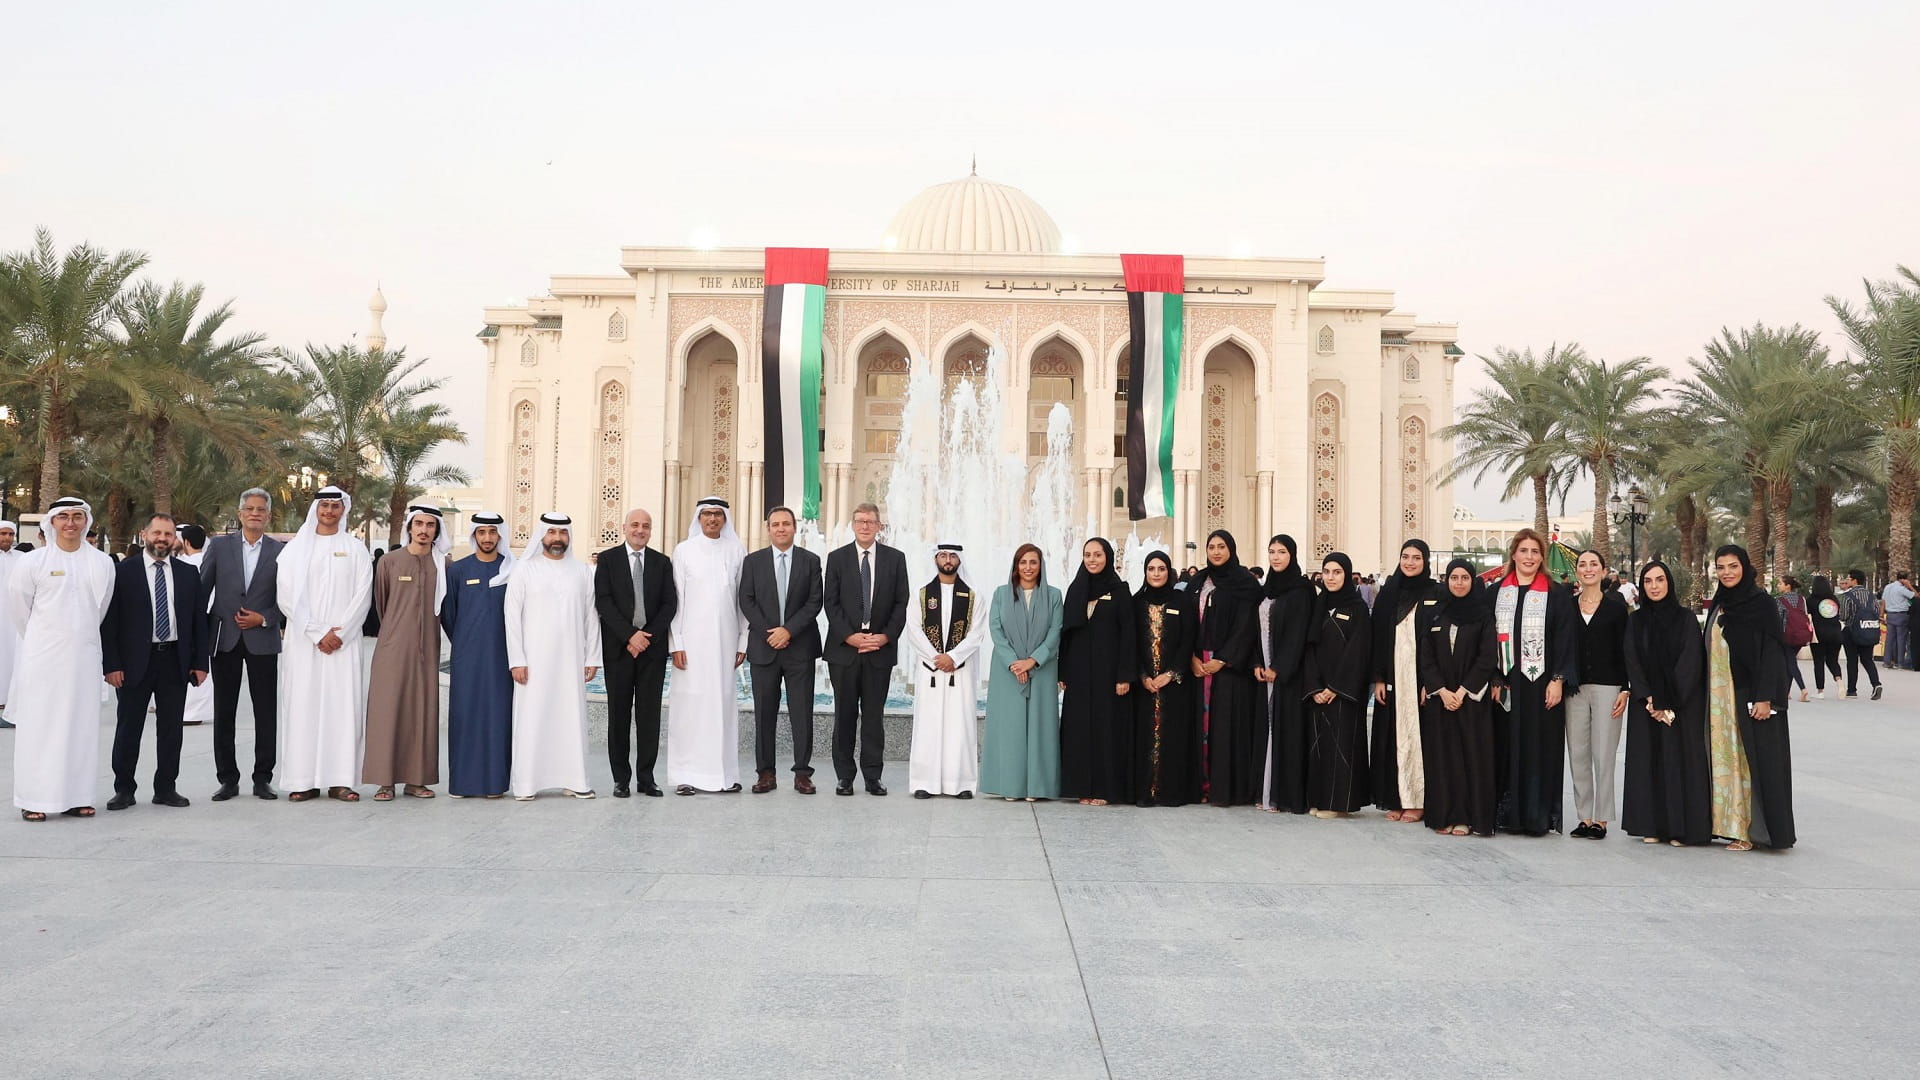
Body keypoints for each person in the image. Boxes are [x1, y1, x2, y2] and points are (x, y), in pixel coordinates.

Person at [10, 498, 115, 820]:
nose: (71, 523)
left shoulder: (101, 562)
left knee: (80, 729)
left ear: (86, 522)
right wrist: (47, 641)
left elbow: (101, 610)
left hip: (83, 660)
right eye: (64, 517)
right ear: (52, 523)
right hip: (43, 660)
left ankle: (77, 797)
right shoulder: (33, 562)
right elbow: (19, 609)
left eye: (77, 517)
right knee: (39, 729)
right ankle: (35, 798)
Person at [102, 512, 209, 811]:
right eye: (157, 533)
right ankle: (123, 788)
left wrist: (200, 662)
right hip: (134, 663)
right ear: (144, 534)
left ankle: (166, 788)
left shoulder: (188, 574)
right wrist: (112, 665)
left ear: (175, 538)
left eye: (168, 534)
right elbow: (109, 624)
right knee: (129, 727)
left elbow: (199, 621)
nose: (162, 539)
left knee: (172, 728)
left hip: (174, 660)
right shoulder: (123, 572)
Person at [277, 486, 373, 804]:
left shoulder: (356, 549)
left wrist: (340, 634)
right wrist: (318, 633)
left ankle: (341, 780)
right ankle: (302, 780)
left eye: (335, 506)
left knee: (342, 708)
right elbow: (287, 596)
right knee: (303, 707)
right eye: (325, 505)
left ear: (343, 510)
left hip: (343, 646)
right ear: (316, 509)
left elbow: (363, 596)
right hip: (305, 644)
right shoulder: (294, 550)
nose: (330, 511)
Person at [1705, 545, 1795, 850]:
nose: (1727, 573)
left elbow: (1772, 653)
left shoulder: (1761, 604)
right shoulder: (1721, 603)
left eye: (1733, 566)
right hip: (1720, 701)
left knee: (1753, 761)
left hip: (1750, 695)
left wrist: (1765, 697)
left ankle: (1755, 831)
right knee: (1728, 760)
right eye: (1721, 567)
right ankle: (1730, 824)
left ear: (1745, 567)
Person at [505, 512, 600, 800]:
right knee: (532, 718)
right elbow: (511, 616)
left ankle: (575, 781)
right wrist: (517, 659)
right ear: (542, 535)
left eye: (562, 533)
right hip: (533, 663)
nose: (557, 538)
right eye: (552, 533)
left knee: (570, 718)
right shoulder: (525, 569)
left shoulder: (582, 571)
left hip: (570, 661)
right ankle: (527, 785)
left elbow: (590, 618)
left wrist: (592, 657)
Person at [1490, 528, 1578, 836]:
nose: (1529, 557)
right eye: (1523, 551)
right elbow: (1487, 639)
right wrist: (1494, 676)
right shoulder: (1497, 592)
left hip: (1541, 686)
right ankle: (1506, 814)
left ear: (1541, 558)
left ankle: (1536, 816)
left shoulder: (1556, 594)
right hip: (1507, 685)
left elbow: (1566, 640)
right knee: (1506, 746)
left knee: (1539, 748)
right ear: (1513, 554)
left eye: (1534, 552)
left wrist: (1558, 679)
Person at [1621, 560, 1712, 847]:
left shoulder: (1685, 619)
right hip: (1647, 706)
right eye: (1648, 581)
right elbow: (1632, 660)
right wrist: (1649, 698)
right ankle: (1651, 825)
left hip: (1680, 706)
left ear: (1669, 583)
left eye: (1660, 580)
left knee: (1678, 764)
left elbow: (1690, 662)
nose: (1655, 586)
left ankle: (1678, 828)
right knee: (1649, 763)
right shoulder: (1636, 620)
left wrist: (1668, 702)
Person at [201, 488, 284, 800]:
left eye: (260, 509)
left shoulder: (280, 552)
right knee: (225, 711)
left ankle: (263, 778)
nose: (254, 514)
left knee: (265, 712)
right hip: (226, 640)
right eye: (249, 509)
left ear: (268, 515)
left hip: (262, 639)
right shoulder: (220, 547)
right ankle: (228, 779)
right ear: (239, 514)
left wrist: (263, 618)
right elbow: (202, 590)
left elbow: (287, 600)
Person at [362, 505, 448, 801]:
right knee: (388, 711)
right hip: (392, 649)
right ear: (410, 527)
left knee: (422, 712)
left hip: (428, 651)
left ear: (437, 530)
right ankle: (385, 781)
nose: (424, 530)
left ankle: (417, 780)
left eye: (430, 525)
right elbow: (382, 603)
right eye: (419, 524)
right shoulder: (389, 562)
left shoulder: (443, 566)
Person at [823, 502, 908, 796]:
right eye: (859, 521)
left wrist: (884, 637)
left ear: (879, 526)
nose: (865, 526)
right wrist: (850, 636)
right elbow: (830, 603)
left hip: (879, 650)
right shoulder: (837, 558)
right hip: (845, 651)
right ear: (852, 524)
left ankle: (873, 776)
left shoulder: (896, 559)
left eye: (870, 521)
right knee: (844, 716)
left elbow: (901, 603)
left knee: (873, 716)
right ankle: (844, 777)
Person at [667, 496, 749, 796]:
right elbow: (676, 600)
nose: (712, 519)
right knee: (689, 707)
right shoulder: (684, 551)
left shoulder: (736, 551)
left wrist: (743, 640)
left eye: (718, 515)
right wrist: (676, 642)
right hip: (690, 645)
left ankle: (724, 775)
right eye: (707, 514)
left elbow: (742, 602)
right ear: (698, 519)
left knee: (723, 706)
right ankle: (686, 775)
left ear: (725, 519)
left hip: (726, 643)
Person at [737, 506, 822, 794]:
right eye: (776, 524)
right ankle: (765, 773)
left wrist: (789, 630)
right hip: (764, 648)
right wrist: (770, 632)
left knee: (802, 712)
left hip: (800, 648)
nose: (781, 528)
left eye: (786, 524)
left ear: (794, 528)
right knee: (764, 713)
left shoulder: (810, 561)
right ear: (768, 528)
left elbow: (814, 602)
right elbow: (746, 601)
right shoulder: (753, 562)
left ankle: (802, 773)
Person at [594, 507, 677, 798]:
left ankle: (646, 777)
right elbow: (604, 602)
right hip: (619, 651)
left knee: (649, 716)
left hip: (651, 652)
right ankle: (621, 779)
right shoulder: (607, 561)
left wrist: (646, 638)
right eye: (635, 525)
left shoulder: (662, 562)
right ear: (624, 528)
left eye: (646, 525)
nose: (640, 530)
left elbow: (669, 604)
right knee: (618, 716)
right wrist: (630, 635)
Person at [1419, 558, 1498, 836]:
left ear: (1473, 580)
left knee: (1470, 758)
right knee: (1443, 758)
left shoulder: (1483, 615)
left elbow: (1487, 658)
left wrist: (1463, 691)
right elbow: (1425, 656)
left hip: (1470, 701)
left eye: (1465, 578)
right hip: (1442, 700)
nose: (1459, 583)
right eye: (1454, 578)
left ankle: (1467, 817)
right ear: (1447, 580)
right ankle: (1444, 816)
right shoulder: (1436, 614)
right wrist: (1441, 690)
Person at [979, 544, 1062, 801]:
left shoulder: (1054, 596)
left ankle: (1038, 787)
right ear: (1016, 566)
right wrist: (1015, 662)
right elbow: (996, 630)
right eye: (1023, 562)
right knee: (1010, 728)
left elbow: (1055, 632)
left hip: (1042, 669)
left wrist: (1033, 661)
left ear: (1041, 566)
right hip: (1007, 671)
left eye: (1033, 562)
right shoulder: (1001, 594)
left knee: (1041, 728)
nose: (1028, 567)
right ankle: (1010, 786)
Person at [903, 543, 986, 799]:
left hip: (960, 672)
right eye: (942, 555)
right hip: (930, 671)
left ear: (959, 560)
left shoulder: (973, 595)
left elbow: (977, 633)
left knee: (960, 726)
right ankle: (923, 782)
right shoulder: (921, 593)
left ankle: (960, 783)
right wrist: (936, 658)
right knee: (928, 725)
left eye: (952, 556)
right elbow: (914, 630)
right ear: (935, 559)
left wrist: (953, 657)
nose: (947, 560)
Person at [441, 511, 514, 798]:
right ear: (474, 535)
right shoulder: (458, 571)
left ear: (499, 536)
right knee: (464, 717)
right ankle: (462, 783)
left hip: (501, 659)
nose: (487, 538)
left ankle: (495, 783)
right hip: (467, 659)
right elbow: (449, 616)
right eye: (482, 532)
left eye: (492, 532)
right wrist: (466, 643)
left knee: (498, 719)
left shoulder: (511, 571)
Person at [1058, 537, 1135, 806]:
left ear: (1108, 557)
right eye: (1087, 554)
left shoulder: (1120, 590)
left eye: (1098, 555)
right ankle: (1081, 787)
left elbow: (1129, 635)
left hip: (1109, 674)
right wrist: (1063, 671)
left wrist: (1125, 675)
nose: (1092, 559)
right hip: (1079, 674)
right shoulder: (1076, 589)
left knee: (1106, 730)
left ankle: (1104, 788)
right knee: (1078, 730)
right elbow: (1065, 634)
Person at [1190, 529, 1263, 806]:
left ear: (1231, 549)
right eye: (1212, 547)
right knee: (1200, 726)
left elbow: (1247, 625)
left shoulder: (1245, 583)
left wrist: (1223, 659)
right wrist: (1192, 658)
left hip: (1231, 669)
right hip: (1199, 666)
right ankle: (1200, 785)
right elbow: (1186, 621)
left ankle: (1225, 788)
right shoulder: (1198, 580)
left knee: (1227, 727)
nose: (1216, 552)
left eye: (1222, 546)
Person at [1370, 539, 1440, 823]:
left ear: (1425, 562)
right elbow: (1377, 638)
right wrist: (1377, 678)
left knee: (1419, 738)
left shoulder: (1435, 592)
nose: (1410, 562)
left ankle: (1419, 800)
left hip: (1419, 680)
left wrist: (1430, 682)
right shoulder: (1389, 593)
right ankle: (1396, 798)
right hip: (1392, 679)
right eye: (1405, 557)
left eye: (1416, 558)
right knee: (1392, 738)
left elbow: (1437, 640)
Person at [1564, 549, 1631, 841]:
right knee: (1578, 752)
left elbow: (1626, 650)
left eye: (1594, 564)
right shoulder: (1567, 607)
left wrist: (1626, 688)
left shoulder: (1616, 608)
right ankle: (1584, 817)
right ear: (1577, 571)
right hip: (1574, 689)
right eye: (1583, 564)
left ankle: (1601, 820)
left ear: (1604, 571)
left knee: (1604, 754)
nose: (1588, 569)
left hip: (1609, 687)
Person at [1304, 552, 1371, 817]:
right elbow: (1308, 648)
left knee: (1342, 746)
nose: (1331, 578)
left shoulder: (1356, 608)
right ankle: (1321, 799)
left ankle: (1339, 804)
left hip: (1343, 691)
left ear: (1347, 574)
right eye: (1327, 572)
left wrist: (1335, 687)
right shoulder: (1319, 604)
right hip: (1318, 689)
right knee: (1319, 746)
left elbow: (1358, 651)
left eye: (1337, 572)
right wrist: (1315, 686)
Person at [1131, 550, 1197, 807]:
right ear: (1145, 572)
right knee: (1143, 737)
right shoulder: (1137, 602)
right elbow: (1131, 643)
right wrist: (1142, 676)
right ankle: (1145, 791)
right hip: (1145, 687)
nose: (1156, 574)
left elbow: (1188, 640)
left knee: (1174, 737)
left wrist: (1171, 674)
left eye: (1161, 569)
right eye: (1151, 569)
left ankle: (1171, 792)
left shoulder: (1181, 601)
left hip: (1175, 685)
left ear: (1169, 571)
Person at [1254, 535, 1313, 814]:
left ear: (1293, 554)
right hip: (1264, 669)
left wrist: (1279, 667)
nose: (1276, 557)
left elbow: (1298, 633)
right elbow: (1255, 629)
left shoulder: (1301, 591)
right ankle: (1265, 790)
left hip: (1287, 674)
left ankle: (1284, 794)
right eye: (1272, 552)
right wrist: (1258, 663)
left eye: (1282, 552)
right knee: (1265, 729)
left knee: (1286, 731)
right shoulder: (1267, 590)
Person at [173, 524, 214, 727]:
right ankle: (196, 711)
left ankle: (186, 711)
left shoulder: (182, 564)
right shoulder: (209, 561)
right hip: (208, 621)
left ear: (186, 542)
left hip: (185, 623)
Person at [1838, 569, 1883, 699]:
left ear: (1854, 580)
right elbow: (1876, 611)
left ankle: (1852, 690)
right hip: (1868, 630)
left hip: (1851, 631)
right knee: (1867, 659)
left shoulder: (1848, 596)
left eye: (1848, 578)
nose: (1847, 580)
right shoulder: (1871, 596)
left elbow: (1844, 616)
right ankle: (1876, 684)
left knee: (1852, 660)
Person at [0, 520, 27, 729]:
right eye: (3, 534)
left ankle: (10, 702)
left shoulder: (23, 559)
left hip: (15, 619)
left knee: (12, 658)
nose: (7, 538)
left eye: (10, 534)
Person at [1776, 576, 1814, 703]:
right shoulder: (1801, 599)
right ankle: (1786, 692)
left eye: (1780, 583)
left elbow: (1779, 619)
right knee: (1790, 662)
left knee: (1791, 663)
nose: (1778, 586)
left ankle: (1803, 689)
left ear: (1788, 586)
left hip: (1786, 635)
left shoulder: (1780, 600)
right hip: (1801, 634)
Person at [1807, 575, 1846, 698]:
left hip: (1819, 635)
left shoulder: (1811, 600)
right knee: (1832, 660)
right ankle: (1839, 681)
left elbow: (1807, 616)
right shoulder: (1834, 599)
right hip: (1835, 633)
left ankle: (1820, 691)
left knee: (1818, 662)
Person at [1882, 571, 1913, 670]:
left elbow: (1883, 601)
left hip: (1890, 615)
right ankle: (1900, 663)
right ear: (1904, 579)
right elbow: (1915, 596)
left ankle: (1887, 661)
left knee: (1889, 640)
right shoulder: (1902, 589)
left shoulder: (1888, 587)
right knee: (1901, 640)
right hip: (1901, 615)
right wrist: (1910, 586)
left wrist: (1881, 614)